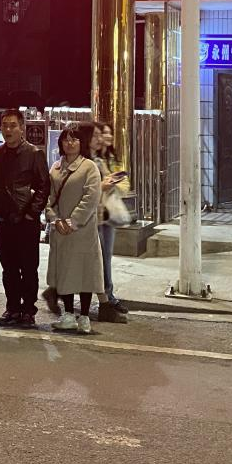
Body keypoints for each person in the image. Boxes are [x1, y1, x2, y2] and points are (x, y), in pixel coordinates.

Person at [0, 108, 50, 328]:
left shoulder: (34, 153)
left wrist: (32, 213)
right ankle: (12, 308)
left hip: (26, 221)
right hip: (3, 220)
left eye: (13, 125)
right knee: (9, 268)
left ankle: (28, 311)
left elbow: (44, 186)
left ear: (22, 128)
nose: (8, 129)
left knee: (29, 268)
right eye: (5, 125)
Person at [46, 122, 104, 335]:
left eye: (74, 140)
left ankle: (84, 316)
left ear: (82, 143)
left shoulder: (89, 167)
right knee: (65, 273)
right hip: (60, 230)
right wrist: (55, 219)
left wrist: (73, 221)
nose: (70, 143)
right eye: (66, 140)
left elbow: (91, 197)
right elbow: (49, 198)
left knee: (84, 272)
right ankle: (68, 314)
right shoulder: (55, 168)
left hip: (82, 231)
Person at [93, 119, 130, 320]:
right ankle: (106, 299)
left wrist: (114, 182)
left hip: (107, 212)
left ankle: (108, 296)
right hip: (95, 214)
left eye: (107, 133)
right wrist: (105, 184)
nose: (105, 137)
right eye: (101, 134)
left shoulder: (111, 158)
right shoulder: (92, 160)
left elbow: (125, 185)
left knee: (106, 256)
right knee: (98, 258)